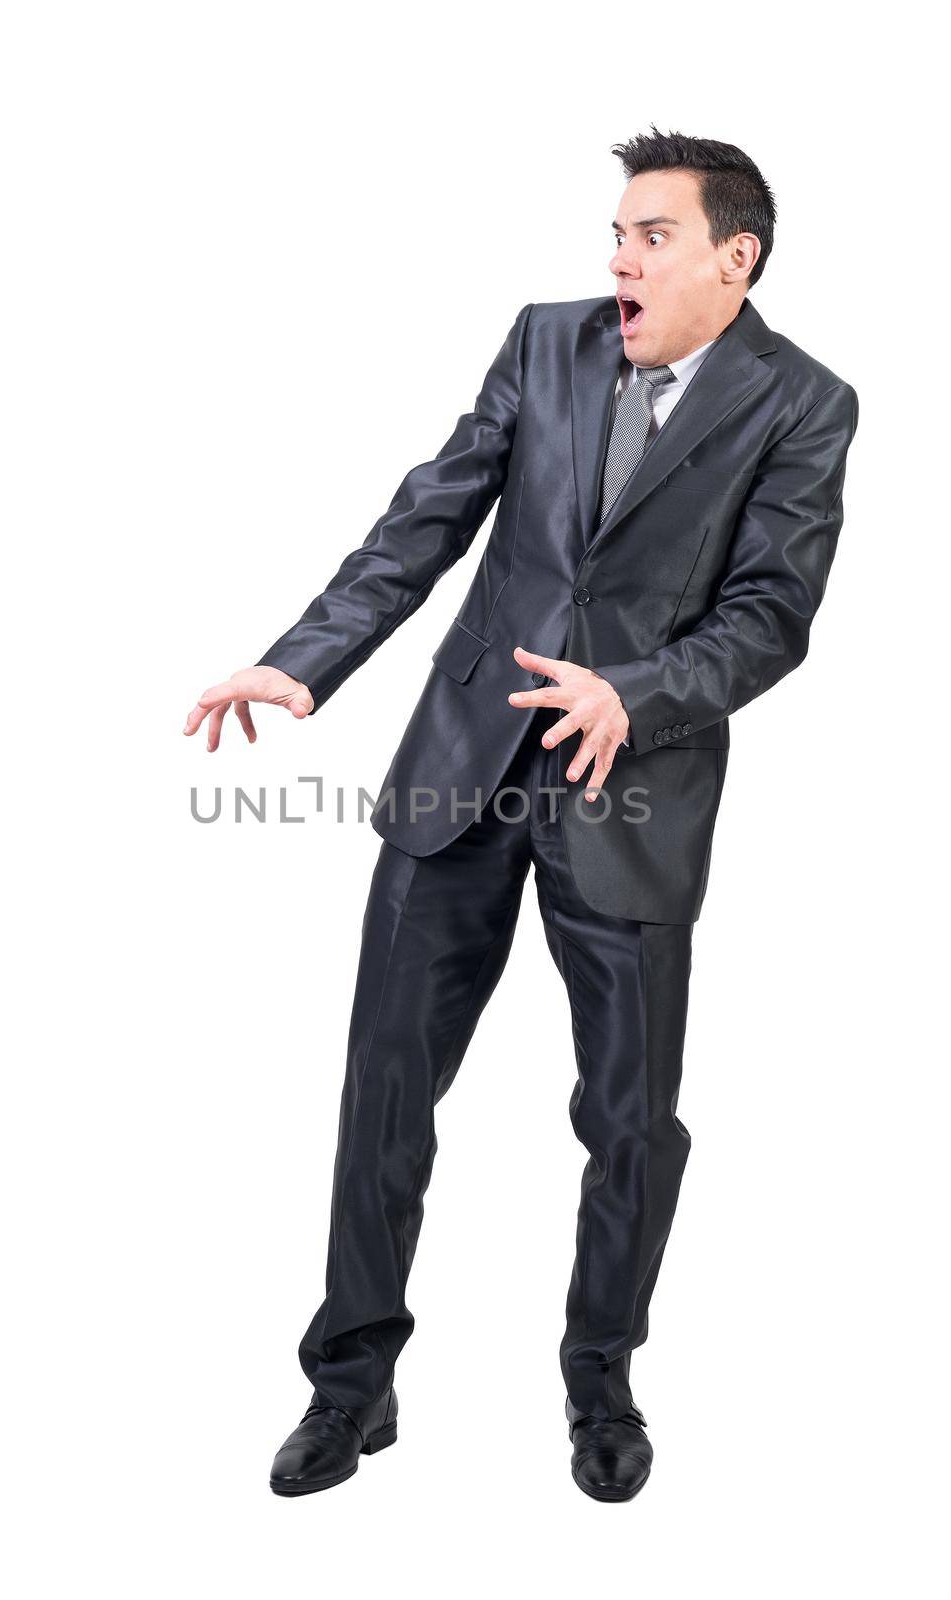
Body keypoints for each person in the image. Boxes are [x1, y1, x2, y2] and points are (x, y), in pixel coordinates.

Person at [183, 126, 859, 1502]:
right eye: (615, 231)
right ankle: (349, 1384)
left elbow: (772, 617)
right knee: (385, 1089)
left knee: (629, 1120)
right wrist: (305, 659)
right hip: (460, 771)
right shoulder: (546, 344)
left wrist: (640, 692)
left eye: (651, 235)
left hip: (633, 791)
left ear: (738, 258)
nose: (618, 255)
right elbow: (426, 517)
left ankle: (600, 1381)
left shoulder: (807, 404)